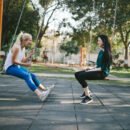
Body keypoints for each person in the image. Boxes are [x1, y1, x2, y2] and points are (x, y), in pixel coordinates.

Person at [4, 32, 50, 101]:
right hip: (9, 67)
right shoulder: (16, 47)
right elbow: (14, 61)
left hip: (16, 67)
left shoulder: (23, 48)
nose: (31, 42)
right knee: (27, 76)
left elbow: (23, 60)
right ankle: (40, 95)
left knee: (33, 76)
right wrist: (26, 65)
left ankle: (44, 89)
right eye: (30, 40)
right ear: (25, 40)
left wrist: (29, 55)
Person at [75, 34, 112, 105]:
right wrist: (90, 68)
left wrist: (90, 70)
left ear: (103, 42)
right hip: (98, 70)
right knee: (77, 74)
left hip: (102, 73)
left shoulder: (106, 53)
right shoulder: (101, 51)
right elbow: (97, 64)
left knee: (81, 76)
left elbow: (102, 68)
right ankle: (87, 92)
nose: (97, 42)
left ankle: (88, 97)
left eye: (99, 40)